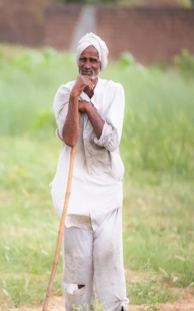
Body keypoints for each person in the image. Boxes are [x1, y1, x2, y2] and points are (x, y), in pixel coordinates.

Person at [50, 32, 129, 311]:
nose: (88, 65)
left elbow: (111, 139)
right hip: (74, 194)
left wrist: (89, 106)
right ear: (77, 62)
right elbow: (69, 138)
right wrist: (75, 97)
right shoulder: (64, 92)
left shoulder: (114, 91)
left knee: (109, 257)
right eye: (83, 59)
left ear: (101, 64)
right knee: (76, 267)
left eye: (93, 60)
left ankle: (115, 307)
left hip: (106, 190)